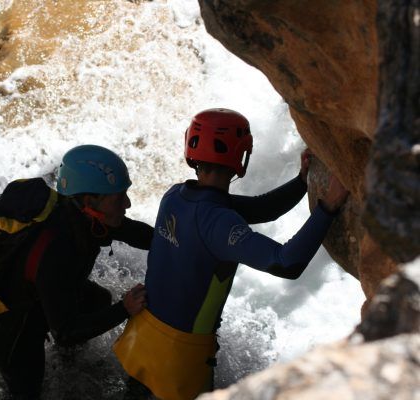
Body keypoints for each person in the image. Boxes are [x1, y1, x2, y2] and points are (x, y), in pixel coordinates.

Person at [114, 108, 349, 400]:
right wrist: (329, 208)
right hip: (179, 358)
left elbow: (260, 209)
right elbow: (288, 263)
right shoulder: (219, 221)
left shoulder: (174, 196)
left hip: (143, 336)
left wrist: (302, 181)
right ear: (241, 158)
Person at [0, 144, 153, 399]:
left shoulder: (88, 217)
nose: (127, 203)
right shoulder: (56, 247)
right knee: (26, 391)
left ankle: (68, 369)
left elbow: (139, 234)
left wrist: (185, 239)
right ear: (89, 201)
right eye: (119, 197)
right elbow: (65, 333)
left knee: (98, 300)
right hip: (13, 322)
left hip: (43, 293)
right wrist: (124, 309)